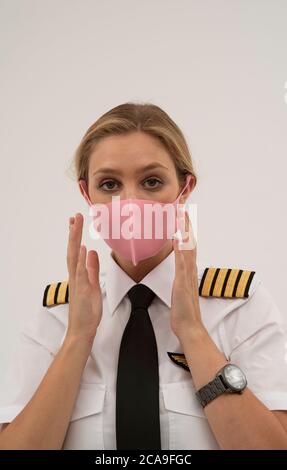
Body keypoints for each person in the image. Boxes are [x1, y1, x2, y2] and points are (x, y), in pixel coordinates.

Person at [0, 102, 287, 450]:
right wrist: (77, 339)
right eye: (109, 184)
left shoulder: (240, 306)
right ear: (86, 194)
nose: (130, 202)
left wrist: (194, 332)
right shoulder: (56, 316)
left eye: (152, 181)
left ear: (185, 188)